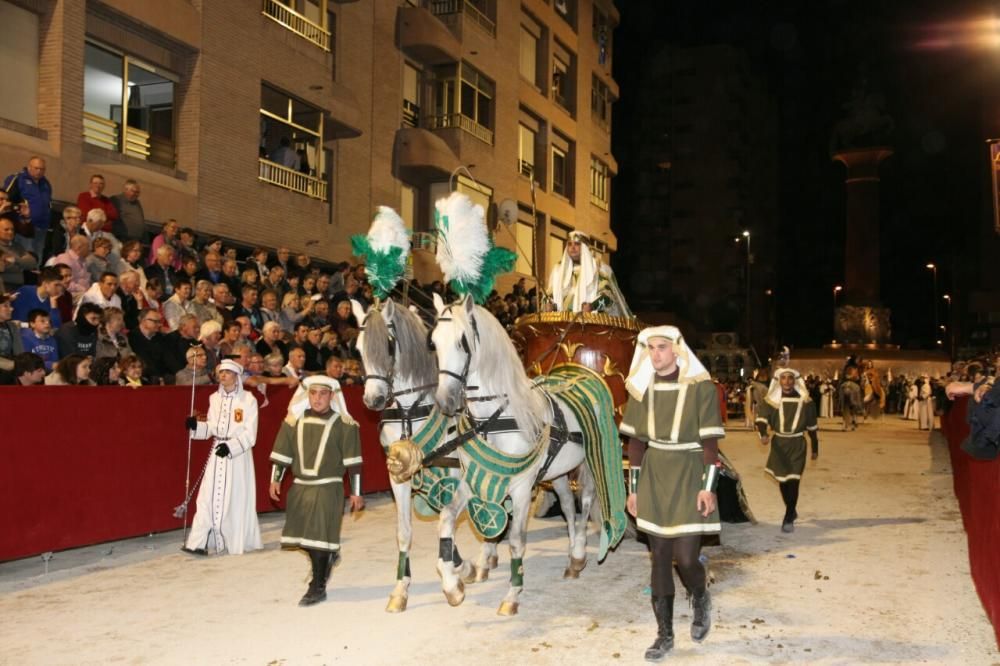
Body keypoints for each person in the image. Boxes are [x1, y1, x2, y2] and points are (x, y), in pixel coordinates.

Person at [619, 326, 724, 661]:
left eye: (662, 348)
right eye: (650, 348)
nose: (655, 354)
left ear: (677, 350)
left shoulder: (700, 388)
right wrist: (633, 491)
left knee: (688, 558)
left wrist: (708, 489)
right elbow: (635, 444)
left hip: (691, 471)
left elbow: (710, 444)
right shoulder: (641, 389)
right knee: (660, 555)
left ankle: (700, 593)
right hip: (654, 472)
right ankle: (664, 635)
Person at [268, 375, 363, 606]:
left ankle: (317, 585)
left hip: (328, 486)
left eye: (323, 393)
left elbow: (354, 462)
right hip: (300, 487)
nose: (317, 398)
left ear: (332, 396)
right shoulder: (293, 422)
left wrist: (356, 492)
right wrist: (275, 479)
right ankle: (327, 558)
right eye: (313, 393)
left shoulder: (345, 425)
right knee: (304, 540)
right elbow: (282, 453)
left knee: (319, 537)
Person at [182, 359, 263, 556]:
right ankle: (197, 542)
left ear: (236, 375)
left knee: (231, 498)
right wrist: (196, 427)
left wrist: (231, 447)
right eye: (221, 372)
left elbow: (250, 434)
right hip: (217, 451)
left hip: (237, 455)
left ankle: (231, 539)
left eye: (227, 372)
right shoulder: (214, 398)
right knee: (206, 496)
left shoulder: (248, 400)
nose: (223, 375)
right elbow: (211, 426)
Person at [755, 368, 819, 533]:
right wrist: (763, 434)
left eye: (790, 378)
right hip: (779, 445)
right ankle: (792, 509)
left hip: (798, 444)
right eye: (783, 378)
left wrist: (815, 448)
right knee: (783, 481)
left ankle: (789, 515)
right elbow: (761, 420)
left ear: (795, 381)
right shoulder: (770, 401)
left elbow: (812, 427)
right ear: (778, 381)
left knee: (793, 480)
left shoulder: (806, 401)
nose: (787, 382)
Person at [546, 230, 631, 316]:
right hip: (561, 323)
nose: (572, 247)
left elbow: (609, 297)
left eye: (577, 244)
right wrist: (549, 305)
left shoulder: (598, 268)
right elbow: (548, 296)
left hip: (591, 324)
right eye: (570, 244)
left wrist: (592, 306)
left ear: (585, 248)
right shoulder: (558, 270)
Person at [3, 156, 53, 261]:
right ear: (29, 167)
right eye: (36, 168)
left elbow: (48, 204)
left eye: (42, 169)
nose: (39, 171)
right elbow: (5, 199)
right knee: (25, 256)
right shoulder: (18, 179)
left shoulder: (46, 184)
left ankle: (33, 277)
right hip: (24, 227)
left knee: (37, 257)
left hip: (42, 227)